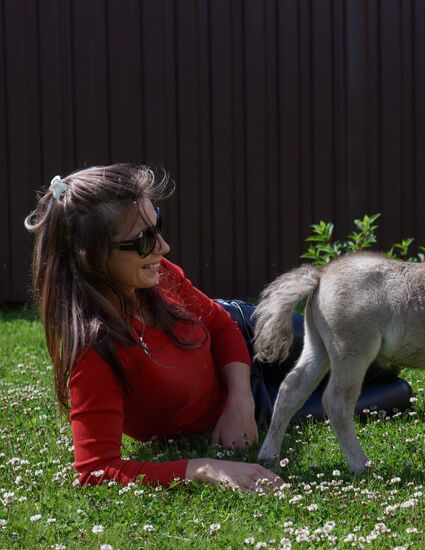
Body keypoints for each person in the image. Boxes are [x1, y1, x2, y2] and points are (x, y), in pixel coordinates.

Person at [24, 164, 281, 491]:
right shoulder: (95, 352)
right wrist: (202, 468)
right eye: (144, 240)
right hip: (265, 396)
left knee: (358, 351)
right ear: (91, 256)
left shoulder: (157, 276)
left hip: (248, 337)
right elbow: (96, 471)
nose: (162, 247)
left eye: (157, 224)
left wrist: (240, 401)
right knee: (361, 394)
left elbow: (221, 323)